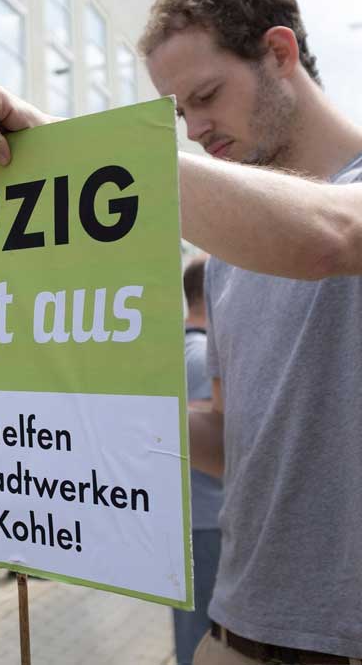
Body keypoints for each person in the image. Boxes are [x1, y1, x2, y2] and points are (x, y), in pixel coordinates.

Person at [0, 0, 362, 661]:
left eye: (206, 94)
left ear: (280, 54)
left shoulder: (339, 208)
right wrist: (68, 418)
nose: (197, 128)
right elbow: (236, 440)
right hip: (235, 632)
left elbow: (332, 236)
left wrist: (77, 151)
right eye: (179, 113)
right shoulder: (225, 258)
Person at [173, 257, 223, 665]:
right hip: (206, 516)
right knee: (201, 633)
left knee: (190, 630)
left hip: (185, 514)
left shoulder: (173, 349)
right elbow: (215, 436)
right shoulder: (203, 354)